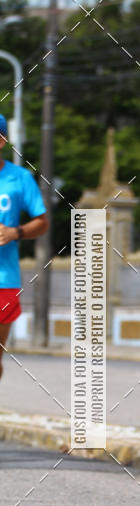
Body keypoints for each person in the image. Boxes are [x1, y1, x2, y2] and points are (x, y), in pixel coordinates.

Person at [0, 113, 49, 379]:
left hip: (4, 279)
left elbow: (42, 223)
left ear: (2, 141)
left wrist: (15, 232)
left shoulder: (19, 178)